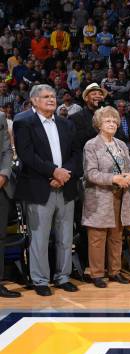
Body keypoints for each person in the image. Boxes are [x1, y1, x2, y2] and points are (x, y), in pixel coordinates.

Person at [13, 85, 83, 296]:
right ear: (34, 101)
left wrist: (64, 173)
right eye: (46, 97)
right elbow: (27, 155)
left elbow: (76, 153)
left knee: (65, 237)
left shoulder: (65, 123)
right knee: (40, 238)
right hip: (39, 187)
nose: (51, 99)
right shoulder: (23, 121)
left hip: (65, 186)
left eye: (53, 96)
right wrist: (54, 172)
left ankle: (63, 277)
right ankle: (40, 280)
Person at [82, 107, 130, 288]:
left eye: (114, 121)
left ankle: (115, 271)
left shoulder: (121, 144)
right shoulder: (91, 145)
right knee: (97, 238)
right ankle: (97, 274)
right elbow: (90, 174)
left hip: (121, 197)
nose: (112, 124)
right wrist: (113, 178)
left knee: (116, 237)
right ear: (99, 124)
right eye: (108, 121)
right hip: (100, 197)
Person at [70, 83, 129, 148]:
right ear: (86, 98)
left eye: (100, 94)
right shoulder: (76, 118)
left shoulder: (111, 116)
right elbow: (79, 141)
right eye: (94, 94)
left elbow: (122, 137)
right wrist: (100, 121)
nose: (98, 96)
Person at [0, 109, 19, 297]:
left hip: (1, 185)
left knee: (0, 237)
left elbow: (7, 150)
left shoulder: (0, 118)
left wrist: (3, 174)